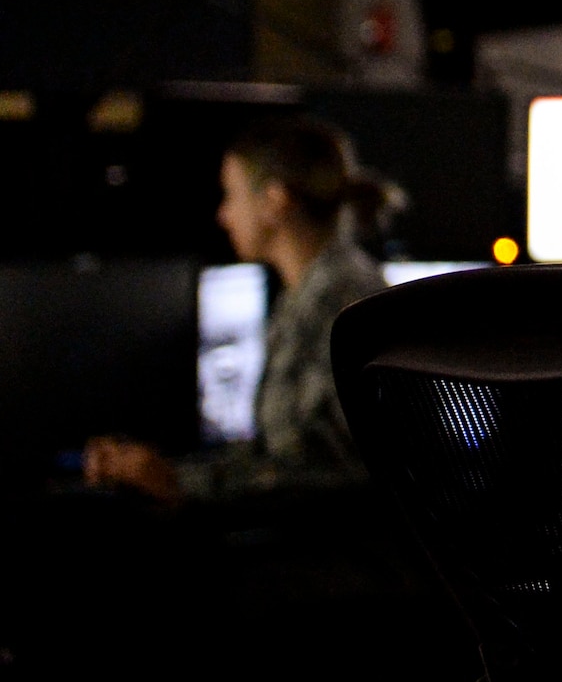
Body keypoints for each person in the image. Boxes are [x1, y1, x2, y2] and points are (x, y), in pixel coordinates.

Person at [85, 116, 393, 504]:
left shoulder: (341, 302)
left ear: (273, 201)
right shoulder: (308, 295)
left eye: (231, 195)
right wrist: (165, 472)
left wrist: (177, 484)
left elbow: (331, 476)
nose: (223, 215)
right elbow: (283, 458)